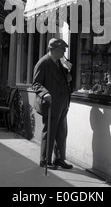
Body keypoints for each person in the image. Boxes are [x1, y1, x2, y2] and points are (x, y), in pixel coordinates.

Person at [32, 38, 73, 170]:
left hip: (62, 103)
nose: (64, 52)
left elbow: (63, 81)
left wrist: (68, 72)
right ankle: (45, 160)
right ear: (54, 49)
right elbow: (36, 83)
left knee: (61, 132)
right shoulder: (43, 63)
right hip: (50, 103)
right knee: (49, 132)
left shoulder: (58, 63)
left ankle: (59, 159)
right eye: (62, 49)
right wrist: (45, 93)